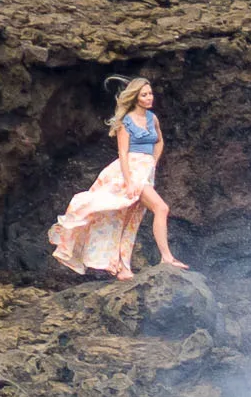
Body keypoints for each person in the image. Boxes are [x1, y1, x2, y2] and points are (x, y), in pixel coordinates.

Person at [49, 77, 188, 277]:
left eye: (150, 94)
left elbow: (159, 141)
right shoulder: (126, 122)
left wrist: (153, 162)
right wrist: (130, 181)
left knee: (129, 219)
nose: (150, 98)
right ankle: (166, 257)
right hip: (129, 172)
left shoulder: (152, 118)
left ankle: (122, 267)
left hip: (145, 171)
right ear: (135, 97)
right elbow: (123, 153)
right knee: (161, 208)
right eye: (144, 95)